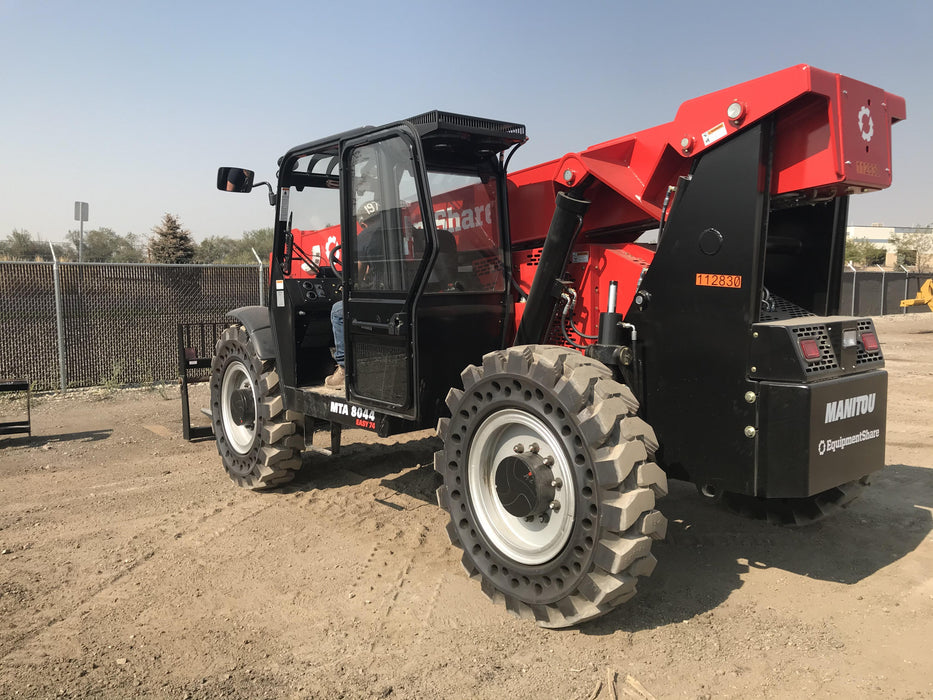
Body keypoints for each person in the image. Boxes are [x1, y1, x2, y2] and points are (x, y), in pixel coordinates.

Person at [325, 200, 385, 388]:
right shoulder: (402, 231)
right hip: (406, 294)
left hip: (382, 296)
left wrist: (350, 285)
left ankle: (344, 368)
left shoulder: (366, 235)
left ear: (363, 222)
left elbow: (358, 272)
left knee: (337, 311)